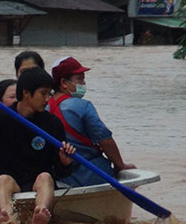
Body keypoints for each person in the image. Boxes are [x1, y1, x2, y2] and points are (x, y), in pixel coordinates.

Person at [0, 67, 75, 224]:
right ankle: (8, 220)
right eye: (43, 93)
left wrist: (65, 162)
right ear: (26, 93)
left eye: (49, 93)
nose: (48, 99)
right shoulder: (0, 116)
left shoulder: (52, 123)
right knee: (3, 180)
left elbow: (60, 172)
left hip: (36, 181)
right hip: (9, 182)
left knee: (46, 177)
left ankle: (40, 216)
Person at [49, 56, 135, 188]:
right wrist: (120, 166)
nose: (83, 83)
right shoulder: (83, 106)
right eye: (79, 79)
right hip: (93, 173)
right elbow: (105, 140)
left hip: (58, 178)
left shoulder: (43, 106)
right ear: (64, 83)